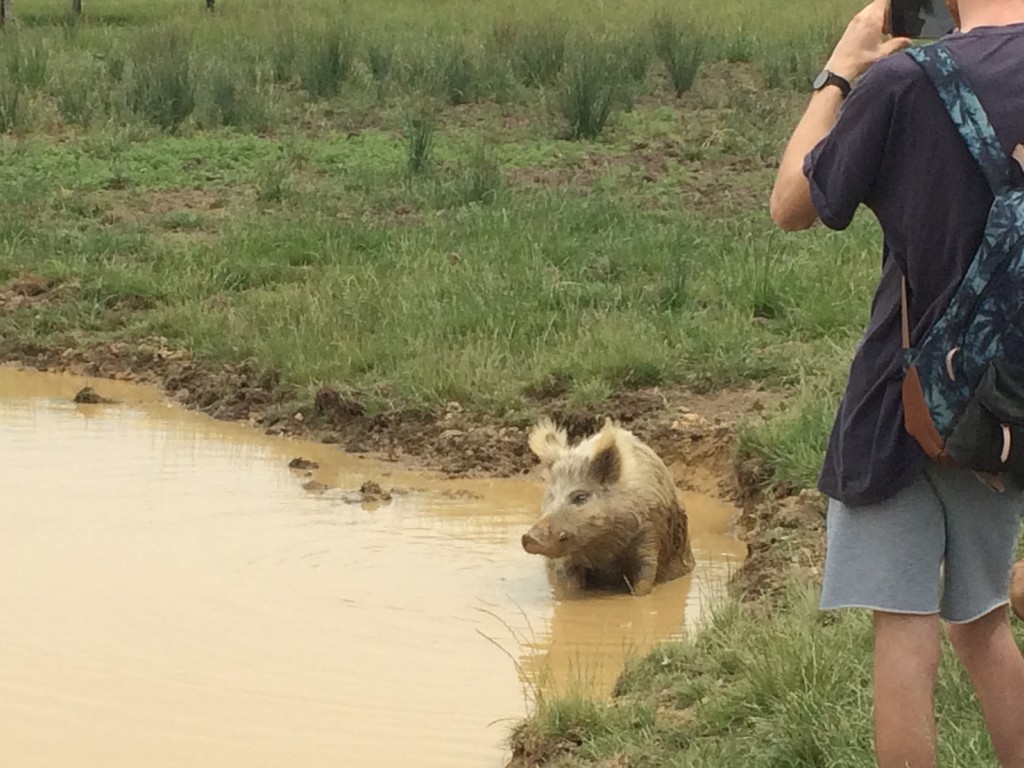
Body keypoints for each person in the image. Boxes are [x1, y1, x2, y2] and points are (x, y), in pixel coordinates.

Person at [769, 1, 1024, 766]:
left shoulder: (908, 82)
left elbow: (792, 204)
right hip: (1011, 402)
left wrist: (841, 71)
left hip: (904, 404)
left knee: (906, 628)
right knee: (982, 623)